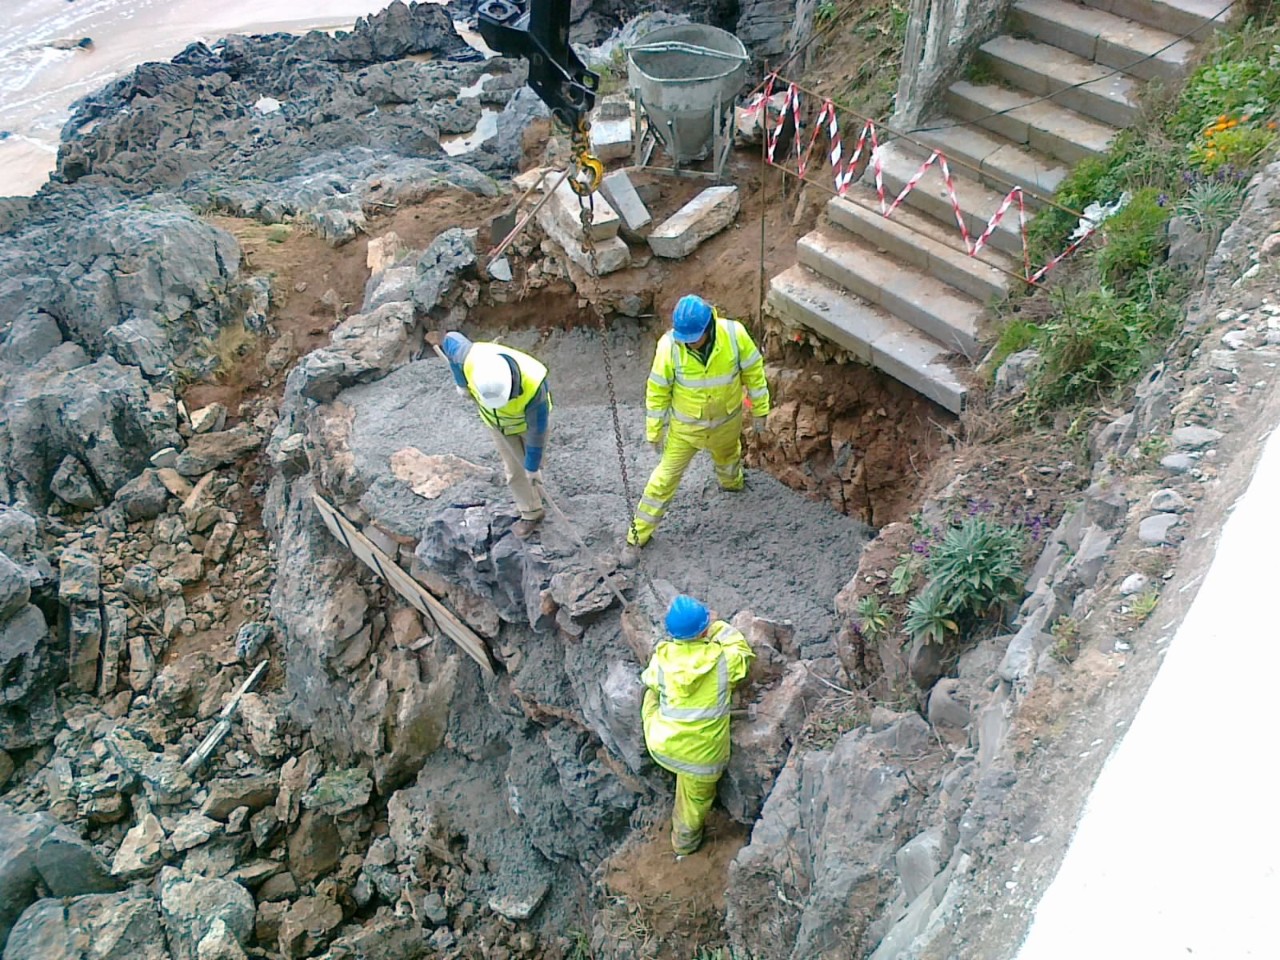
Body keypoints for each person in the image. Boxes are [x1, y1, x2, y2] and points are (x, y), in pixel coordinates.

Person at [622, 295, 770, 563]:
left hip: (726, 423)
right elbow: (657, 390)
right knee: (662, 481)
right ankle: (636, 537)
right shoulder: (669, 347)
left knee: (728, 459)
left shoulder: (734, 336)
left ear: (709, 327)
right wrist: (654, 429)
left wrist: (761, 410)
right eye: (685, 337)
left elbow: (755, 374)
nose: (688, 341)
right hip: (685, 432)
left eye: (693, 336)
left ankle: (732, 487)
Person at [641, 594, 755, 856]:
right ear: (705, 628)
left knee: (650, 697)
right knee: (694, 803)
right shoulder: (724, 661)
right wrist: (718, 627)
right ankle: (684, 846)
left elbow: (648, 679)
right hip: (702, 761)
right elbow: (741, 649)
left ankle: (671, 765)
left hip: (662, 745)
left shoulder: (662, 659)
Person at [439, 331, 551, 538]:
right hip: (497, 424)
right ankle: (531, 512)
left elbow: (537, 431)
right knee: (515, 470)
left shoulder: (534, 385)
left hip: (528, 425)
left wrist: (533, 466)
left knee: (533, 463)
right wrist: (461, 382)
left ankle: (536, 485)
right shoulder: (471, 358)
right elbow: (449, 340)